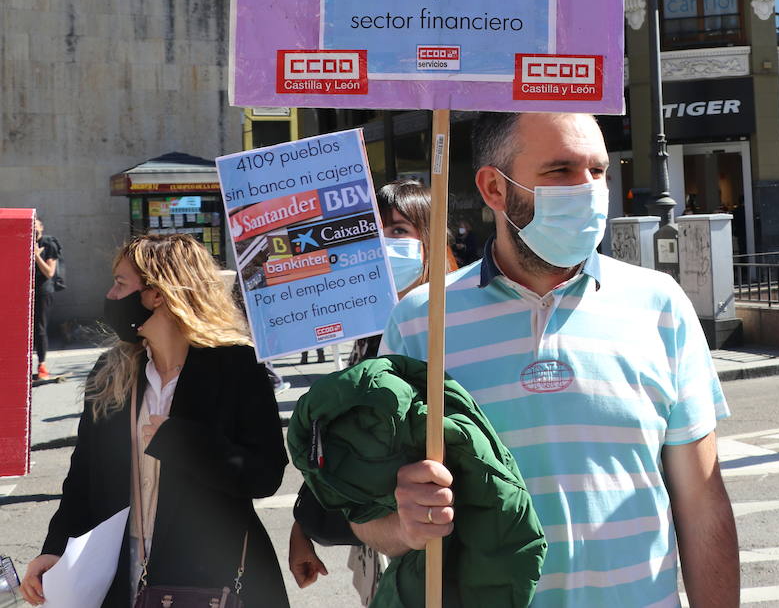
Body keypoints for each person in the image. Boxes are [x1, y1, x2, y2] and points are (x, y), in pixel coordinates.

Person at [355, 111, 739, 606]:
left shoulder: (660, 304)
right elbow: (370, 517)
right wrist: (403, 525)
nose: (588, 189)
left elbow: (703, 502)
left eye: (597, 171)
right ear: (494, 189)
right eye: (560, 172)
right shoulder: (420, 322)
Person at [20, 234, 289, 608]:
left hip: (211, 576)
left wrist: (185, 444)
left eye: (120, 283)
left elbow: (264, 475)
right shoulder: (111, 372)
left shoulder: (236, 367)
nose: (111, 296)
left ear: (158, 294)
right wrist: (55, 549)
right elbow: (83, 478)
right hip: (120, 572)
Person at [287, 177, 457, 602]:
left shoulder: (454, 317)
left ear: (431, 239)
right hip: (383, 542)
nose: (383, 243)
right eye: (373, 232)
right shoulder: (372, 328)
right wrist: (302, 522)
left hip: (446, 538)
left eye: (398, 231)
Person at [31, 217, 60, 381]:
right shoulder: (24, 241)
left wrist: (36, 256)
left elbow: (49, 272)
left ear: (41, 227)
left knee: (39, 327)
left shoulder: (48, 244)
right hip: (27, 289)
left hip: (43, 290)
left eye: (36, 226)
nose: (34, 230)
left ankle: (42, 364)